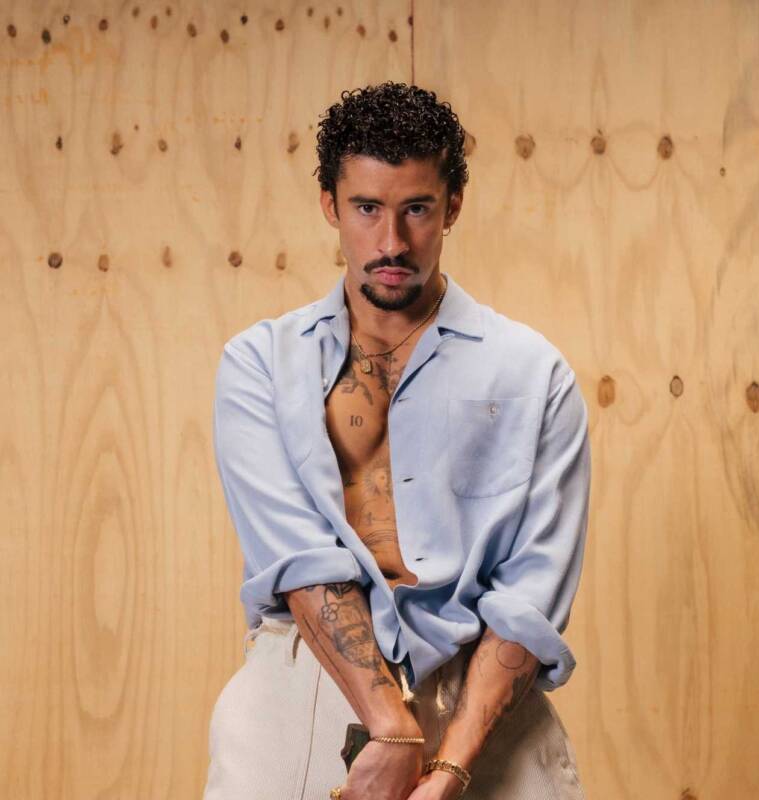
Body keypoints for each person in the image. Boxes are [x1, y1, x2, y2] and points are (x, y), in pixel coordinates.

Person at [203, 81, 591, 800]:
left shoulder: (534, 373)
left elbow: (530, 593)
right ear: (330, 205)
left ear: (452, 206)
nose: (391, 242)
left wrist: (450, 767)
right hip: (303, 692)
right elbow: (296, 556)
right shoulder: (261, 365)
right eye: (366, 209)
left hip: (485, 709)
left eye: (416, 208)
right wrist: (391, 728)